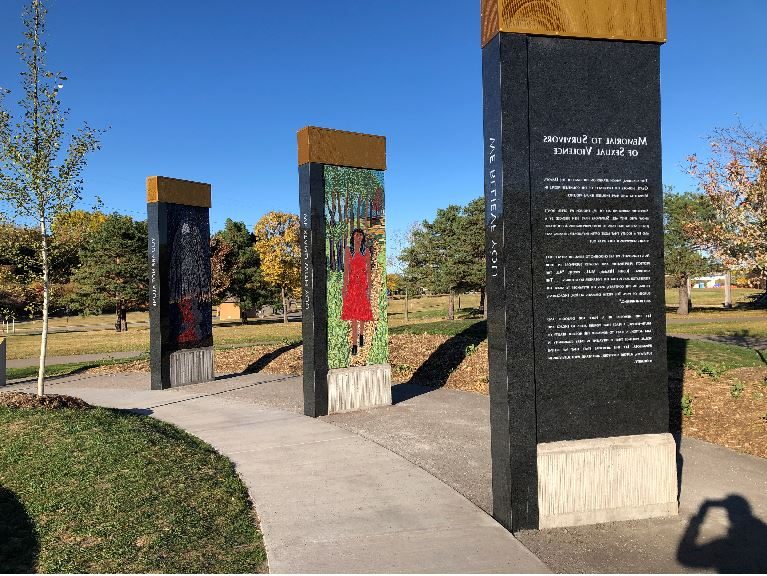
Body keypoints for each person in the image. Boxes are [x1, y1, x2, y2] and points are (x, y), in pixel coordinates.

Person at [341, 228, 373, 355]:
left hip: (363, 283)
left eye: (360, 236)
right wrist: (344, 287)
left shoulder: (366, 251)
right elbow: (346, 270)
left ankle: (361, 335)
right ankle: (354, 344)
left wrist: (369, 287)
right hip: (352, 284)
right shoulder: (348, 250)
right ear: (353, 237)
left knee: (363, 312)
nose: (358, 238)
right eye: (356, 235)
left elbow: (369, 270)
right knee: (354, 314)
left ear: (363, 238)